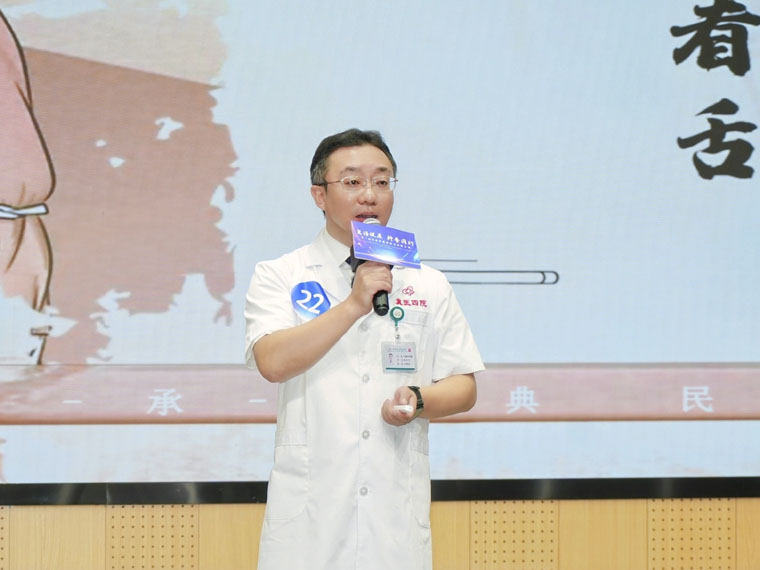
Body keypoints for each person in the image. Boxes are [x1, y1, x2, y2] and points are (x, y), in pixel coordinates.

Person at [244, 128, 484, 570]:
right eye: (352, 181)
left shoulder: (428, 283)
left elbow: (464, 387)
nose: (370, 195)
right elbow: (273, 362)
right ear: (319, 195)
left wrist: (418, 399)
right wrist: (354, 304)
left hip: (394, 516)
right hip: (310, 517)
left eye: (382, 181)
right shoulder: (281, 274)